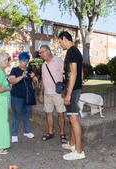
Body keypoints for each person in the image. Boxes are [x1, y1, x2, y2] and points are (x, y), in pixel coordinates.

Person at [58, 31, 86, 160]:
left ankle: (79, 152)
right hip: (74, 89)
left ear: (64, 38)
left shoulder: (72, 51)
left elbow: (74, 74)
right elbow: (81, 72)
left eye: (59, 41)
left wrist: (68, 94)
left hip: (72, 90)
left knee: (73, 119)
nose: (59, 44)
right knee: (73, 118)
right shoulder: (75, 51)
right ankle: (72, 144)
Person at [38, 45, 67, 145]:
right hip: (47, 94)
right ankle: (50, 132)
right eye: (40, 53)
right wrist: (41, 92)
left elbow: (66, 74)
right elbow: (43, 79)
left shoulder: (58, 60)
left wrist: (65, 89)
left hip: (58, 93)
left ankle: (62, 133)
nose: (41, 54)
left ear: (48, 51)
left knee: (60, 113)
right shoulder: (43, 65)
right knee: (48, 113)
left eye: (42, 52)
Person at [9, 52, 36, 143]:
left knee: (27, 114)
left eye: (27, 61)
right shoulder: (14, 70)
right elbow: (12, 81)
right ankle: (14, 134)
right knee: (17, 115)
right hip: (16, 97)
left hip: (27, 96)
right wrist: (22, 76)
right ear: (20, 60)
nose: (26, 63)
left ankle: (27, 131)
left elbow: (35, 81)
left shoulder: (29, 69)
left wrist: (34, 77)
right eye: (24, 61)